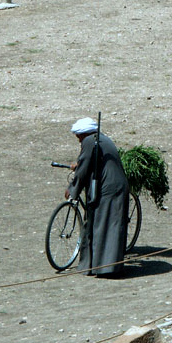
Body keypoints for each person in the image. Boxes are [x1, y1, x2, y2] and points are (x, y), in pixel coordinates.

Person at [64, 117, 129, 276]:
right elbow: (92, 160)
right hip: (114, 185)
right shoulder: (101, 139)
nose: (79, 141)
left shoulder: (88, 141)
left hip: (109, 188)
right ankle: (100, 265)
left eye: (78, 137)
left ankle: (105, 267)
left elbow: (84, 169)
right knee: (106, 225)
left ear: (84, 134)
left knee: (104, 225)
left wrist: (73, 188)